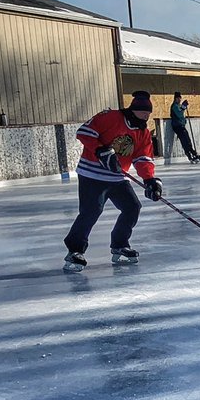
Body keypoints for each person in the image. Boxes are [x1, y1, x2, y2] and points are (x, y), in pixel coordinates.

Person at [62, 90, 164, 272]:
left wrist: (149, 180)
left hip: (117, 177)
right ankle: (75, 250)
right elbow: (84, 132)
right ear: (133, 111)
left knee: (132, 207)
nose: (145, 119)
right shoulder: (110, 117)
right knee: (91, 211)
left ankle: (119, 244)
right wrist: (100, 150)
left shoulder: (143, 132)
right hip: (92, 174)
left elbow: (143, 158)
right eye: (142, 114)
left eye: (148, 115)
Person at [170, 92, 200, 163]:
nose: (179, 100)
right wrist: (183, 107)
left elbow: (181, 114)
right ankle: (189, 155)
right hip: (177, 126)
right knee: (184, 140)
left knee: (187, 140)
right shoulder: (174, 106)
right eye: (178, 98)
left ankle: (193, 153)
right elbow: (179, 114)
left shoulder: (178, 106)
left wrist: (184, 120)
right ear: (175, 99)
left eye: (180, 98)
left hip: (181, 125)